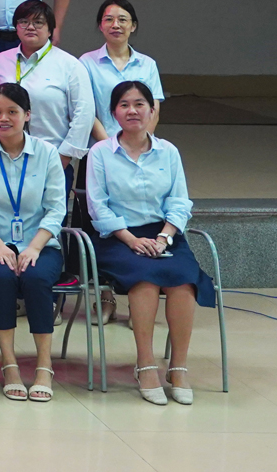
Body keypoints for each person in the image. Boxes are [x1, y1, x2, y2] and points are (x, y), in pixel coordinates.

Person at [86, 80, 215, 405]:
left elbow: (180, 201)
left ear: (152, 110)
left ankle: (178, 368)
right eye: (124, 105)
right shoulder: (100, 153)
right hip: (118, 236)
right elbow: (98, 207)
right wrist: (131, 240)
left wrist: (164, 236)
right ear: (114, 112)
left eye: (139, 104)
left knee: (183, 280)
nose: (132, 111)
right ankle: (145, 365)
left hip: (163, 233)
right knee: (144, 280)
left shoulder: (168, 151)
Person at [0, 83, 68, 403]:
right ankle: (9, 364)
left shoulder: (47, 153)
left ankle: (44, 365)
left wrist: (34, 246)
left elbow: (56, 208)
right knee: (2, 278)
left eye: (12, 112)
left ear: (27, 115)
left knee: (36, 278)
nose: (3, 118)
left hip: (41, 243)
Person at [0, 0, 94, 198]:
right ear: (16, 27)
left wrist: (63, 157)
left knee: (49, 216)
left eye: (38, 22)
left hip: (52, 159)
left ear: (50, 29)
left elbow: (84, 114)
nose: (30, 27)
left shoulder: (69, 65)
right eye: (24, 22)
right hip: (3, 158)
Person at [80, 0, 165, 139]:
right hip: (100, 145)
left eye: (122, 20)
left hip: (140, 146)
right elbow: (86, 110)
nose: (115, 25)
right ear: (100, 26)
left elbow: (154, 110)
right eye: (109, 19)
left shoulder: (148, 64)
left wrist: (140, 143)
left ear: (133, 26)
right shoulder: (86, 62)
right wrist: (109, 146)